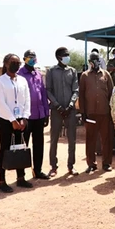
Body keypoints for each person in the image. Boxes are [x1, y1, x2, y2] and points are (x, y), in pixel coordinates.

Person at [0, 54, 33, 192]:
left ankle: (21, 178)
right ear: (6, 64)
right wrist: (12, 120)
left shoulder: (22, 80)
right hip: (5, 120)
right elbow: (1, 103)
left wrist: (25, 117)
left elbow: (27, 99)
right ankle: (2, 181)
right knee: (5, 148)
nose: (16, 64)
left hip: (22, 120)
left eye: (18, 62)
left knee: (21, 147)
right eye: (13, 62)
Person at [46, 47, 79, 177]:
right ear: (59, 57)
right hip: (56, 110)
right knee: (54, 139)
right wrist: (58, 106)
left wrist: (71, 105)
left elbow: (76, 90)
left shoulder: (73, 71)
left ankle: (71, 166)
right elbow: (48, 90)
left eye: (68, 55)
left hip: (70, 111)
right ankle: (53, 167)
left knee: (72, 139)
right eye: (65, 55)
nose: (67, 57)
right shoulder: (51, 71)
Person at [17, 50, 50, 179]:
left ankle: (38, 170)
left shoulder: (38, 74)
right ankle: (21, 175)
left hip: (39, 115)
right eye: (29, 58)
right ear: (24, 59)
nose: (32, 60)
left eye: (34, 57)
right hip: (25, 117)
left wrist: (46, 113)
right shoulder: (19, 74)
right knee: (23, 145)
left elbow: (43, 94)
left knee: (38, 144)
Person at [79, 52, 114, 173]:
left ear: (100, 61)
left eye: (96, 59)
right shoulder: (85, 76)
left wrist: (111, 112)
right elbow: (82, 95)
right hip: (90, 113)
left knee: (106, 139)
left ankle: (106, 163)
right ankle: (91, 164)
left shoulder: (106, 75)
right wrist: (82, 112)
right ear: (90, 62)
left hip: (104, 113)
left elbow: (111, 94)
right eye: (92, 60)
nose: (94, 62)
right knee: (90, 139)